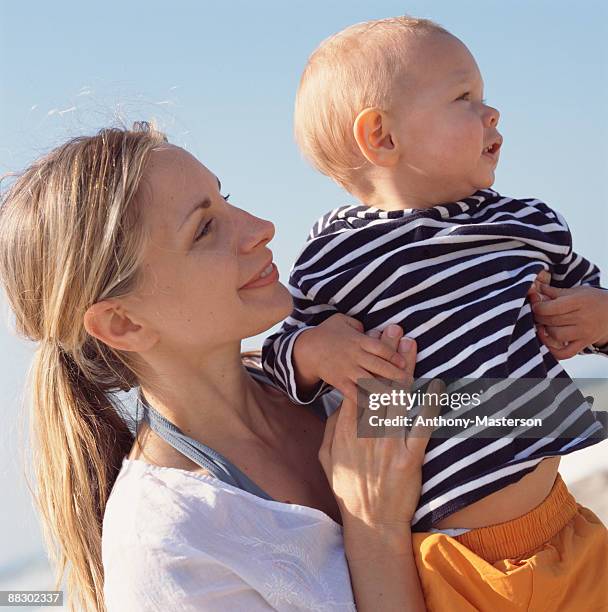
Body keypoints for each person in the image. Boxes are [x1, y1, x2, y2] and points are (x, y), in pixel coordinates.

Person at [0, 123, 440, 611]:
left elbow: (522, 417)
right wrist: (374, 528)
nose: (260, 228)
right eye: (205, 228)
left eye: (225, 197)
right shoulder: (168, 546)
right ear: (122, 323)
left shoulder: (326, 367)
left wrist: (538, 361)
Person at [261, 15, 608, 610]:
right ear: (382, 138)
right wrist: (316, 351)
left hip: (562, 524)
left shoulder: (524, 223)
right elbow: (280, 352)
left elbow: (592, 304)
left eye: (484, 96)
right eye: (464, 98)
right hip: (446, 554)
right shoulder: (337, 255)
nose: (491, 112)